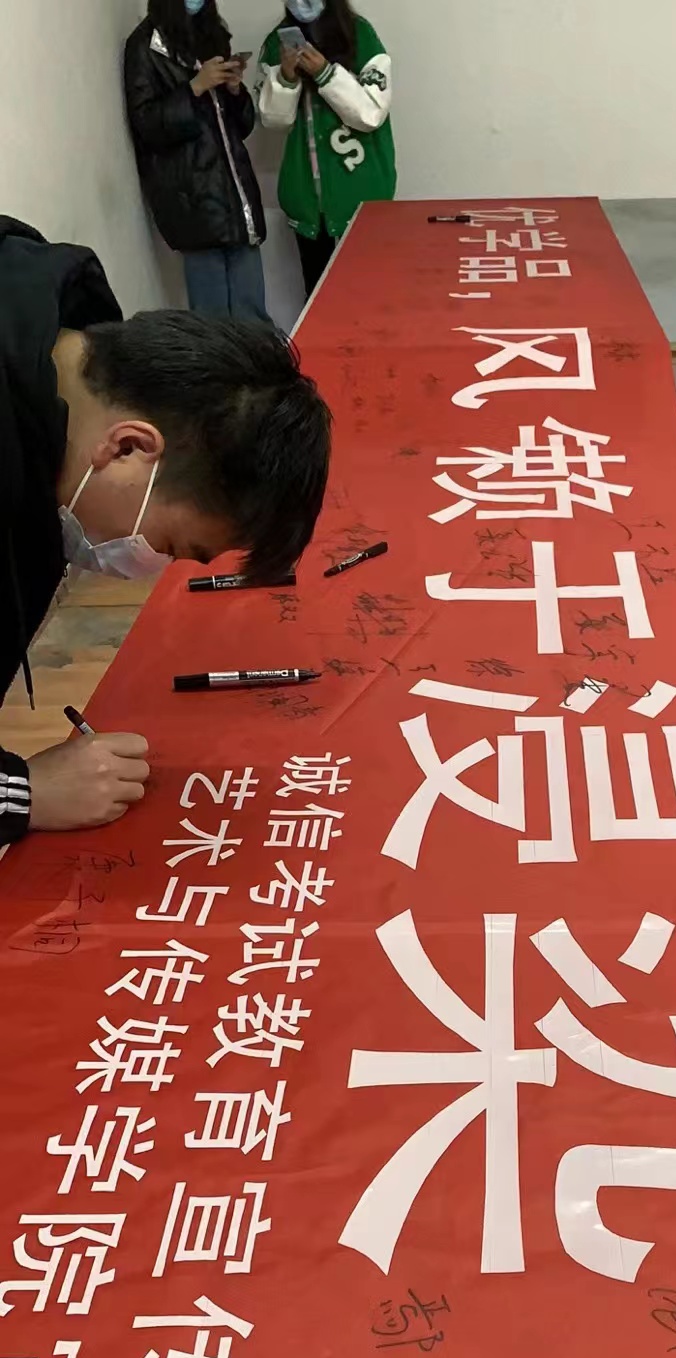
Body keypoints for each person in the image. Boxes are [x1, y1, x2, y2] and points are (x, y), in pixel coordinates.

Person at [0, 217, 331, 846]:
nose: (148, 565)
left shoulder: (53, 362)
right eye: (171, 546)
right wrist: (23, 793)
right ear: (128, 447)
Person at [124, 0, 269, 318]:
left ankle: (258, 354)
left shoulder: (212, 34)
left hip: (237, 195)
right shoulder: (145, 45)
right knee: (211, 320)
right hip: (193, 201)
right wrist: (194, 87)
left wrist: (234, 91)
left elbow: (240, 126)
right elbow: (147, 125)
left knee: (253, 316)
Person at [258, 0, 395, 299]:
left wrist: (325, 73)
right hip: (306, 202)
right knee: (318, 300)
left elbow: (371, 113)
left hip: (361, 195)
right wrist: (287, 77)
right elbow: (274, 120)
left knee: (366, 296)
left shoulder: (360, 34)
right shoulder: (277, 42)